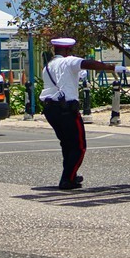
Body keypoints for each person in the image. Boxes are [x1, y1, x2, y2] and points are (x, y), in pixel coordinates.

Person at [40, 37, 123, 190]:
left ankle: (71, 174)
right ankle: (67, 179)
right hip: (66, 109)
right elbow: (88, 64)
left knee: (66, 144)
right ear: (68, 50)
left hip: (50, 109)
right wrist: (111, 67)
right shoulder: (69, 61)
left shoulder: (48, 66)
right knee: (79, 146)